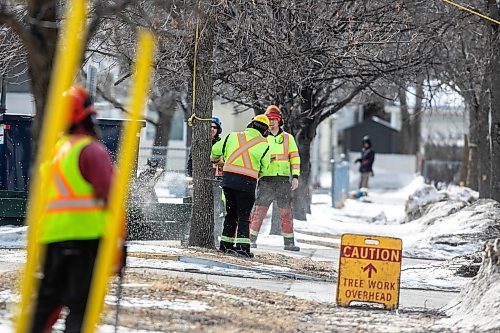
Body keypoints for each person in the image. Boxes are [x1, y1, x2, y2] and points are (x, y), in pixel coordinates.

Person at [31, 86, 117, 333]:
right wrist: (118, 245)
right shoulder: (91, 150)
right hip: (85, 240)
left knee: (46, 304)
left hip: (51, 239)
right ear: (88, 116)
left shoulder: (55, 151)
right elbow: (112, 198)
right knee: (82, 307)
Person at [211, 115, 270, 258]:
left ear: (251, 124)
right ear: (265, 131)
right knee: (244, 216)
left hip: (228, 180)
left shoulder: (233, 136)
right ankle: (243, 248)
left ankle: (226, 245)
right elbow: (264, 168)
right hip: (248, 183)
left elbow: (215, 152)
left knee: (230, 213)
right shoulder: (264, 144)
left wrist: (218, 159)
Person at [249, 105, 301, 251]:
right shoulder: (261, 138)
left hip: (283, 181)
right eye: (269, 119)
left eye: (273, 119)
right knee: (259, 211)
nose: (271, 122)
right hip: (266, 180)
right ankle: (251, 240)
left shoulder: (288, 138)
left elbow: (295, 158)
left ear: (279, 121)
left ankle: (289, 243)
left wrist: (295, 176)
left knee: (286, 212)